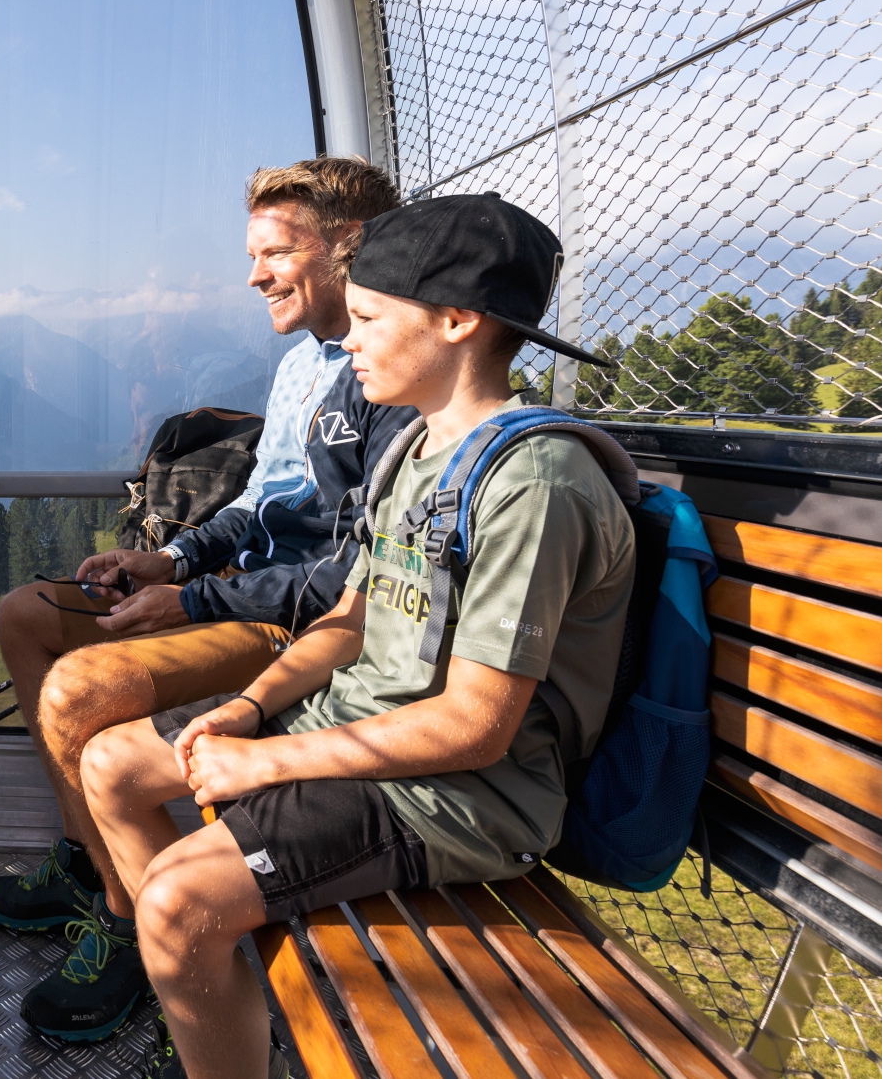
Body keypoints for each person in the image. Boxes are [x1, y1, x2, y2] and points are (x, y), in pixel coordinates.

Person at [81, 195, 632, 1079]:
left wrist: (264, 763)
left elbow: (475, 727)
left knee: (178, 901)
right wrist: (250, 709)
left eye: (370, 319)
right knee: (111, 763)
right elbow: (349, 619)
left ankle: (205, 995)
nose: (353, 343)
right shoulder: (416, 452)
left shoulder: (536, 485)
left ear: (456, 321)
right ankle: (210, 1004)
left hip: (452, 793)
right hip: (354, 729)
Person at [0, 159, 418, 1042]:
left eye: (275, 253)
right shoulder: (300, 367)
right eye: (253, 254)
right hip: (233, 590)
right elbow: (258, 504)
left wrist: (197, 603)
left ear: (349, 247)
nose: (254, 276)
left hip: (297, 621)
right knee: (25, 617)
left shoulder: (393, 377)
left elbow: (357, 575)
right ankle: (85, 860)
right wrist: (172, 561)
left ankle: (126, 923)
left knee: (78, 695)